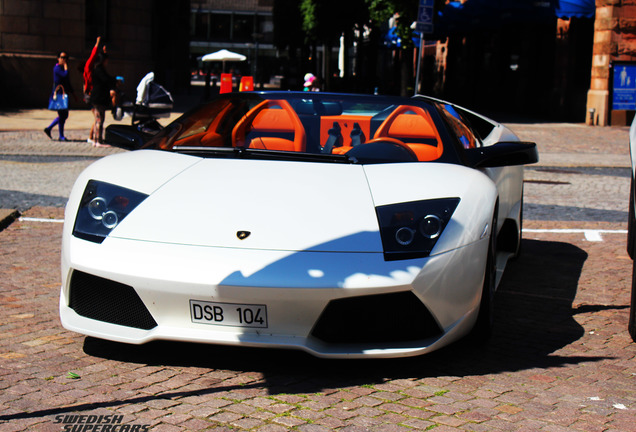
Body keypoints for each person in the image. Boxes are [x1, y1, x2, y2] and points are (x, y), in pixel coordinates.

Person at [44, 52, 76, 141]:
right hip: (58, 95)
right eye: (62, 57)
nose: (64, 59)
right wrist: (66, 68)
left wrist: (73, 94)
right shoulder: (57, 68)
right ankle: (60, 135)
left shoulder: (62, 68)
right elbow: (65, 75)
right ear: (58, 58)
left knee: (64, 115)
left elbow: (68, 82)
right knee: (62, 115)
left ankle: (49, 128)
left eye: (66, 58)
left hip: (63, 95)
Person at [89, 53, 117, 147]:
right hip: (99, 98)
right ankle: (98, 140)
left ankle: (97, 140)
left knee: (99, 119)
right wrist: (115, 80)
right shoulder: (99, 70)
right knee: (99, 119)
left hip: (98, 97)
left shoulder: (97, 69)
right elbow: (106, 80)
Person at [83, 36, 103, 144]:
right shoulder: (88, 68)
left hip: (93, 94)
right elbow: (92, 56)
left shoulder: (95, 69)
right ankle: (92, 138)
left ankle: (91, 137)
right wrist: (97, 44)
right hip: (91, 95)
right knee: (97, 117)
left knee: (96, 117)